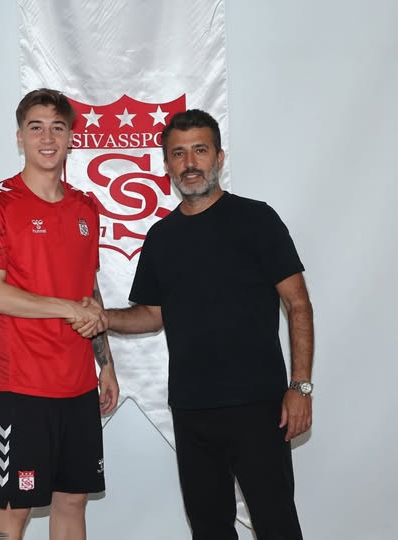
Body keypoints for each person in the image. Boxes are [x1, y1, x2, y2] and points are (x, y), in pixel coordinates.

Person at [77, 109, 313, 539]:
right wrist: (102, 318)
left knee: (276, 524)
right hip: (191, 409)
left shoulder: (257, 219)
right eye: (178, 153)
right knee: (208, 528)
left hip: (258, 406)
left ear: (219, 157)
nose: (190, 163)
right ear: (166, 165)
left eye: (200, 151)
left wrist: (300, 387)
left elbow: (298, 304)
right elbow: (151, 314)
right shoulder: (161, 237)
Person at [0, 88, 119, 540]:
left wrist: (106, 364)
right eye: (36, 127)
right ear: (20, 137)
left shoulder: (85, 207)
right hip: (23, 385)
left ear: (71, 137)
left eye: (57, 127)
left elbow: (87, 291)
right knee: (14, 510)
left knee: (72, 503)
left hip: (79, 384)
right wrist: (66, 308)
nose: (47, 138)